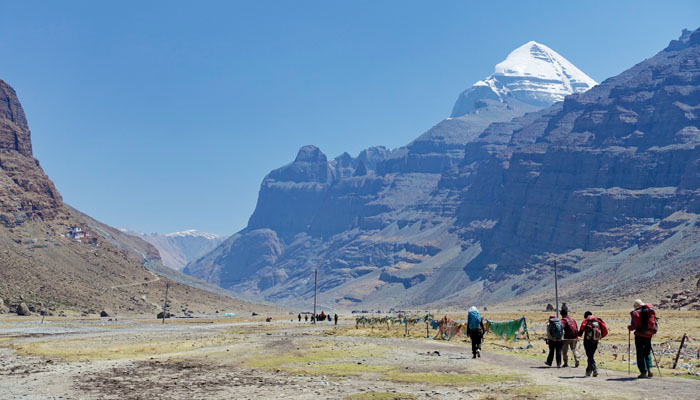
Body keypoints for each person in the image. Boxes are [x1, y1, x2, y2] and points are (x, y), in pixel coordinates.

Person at [628, 299, 657, 379]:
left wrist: (629, 328)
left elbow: (633, 326)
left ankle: (643, 372)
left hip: (639, 335)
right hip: (649, 335)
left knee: (640, 353)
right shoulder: (649, 311)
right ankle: (650, 369)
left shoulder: (635, 313)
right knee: (647, 352)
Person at [578, 310, 608, 377]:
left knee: (590, 355)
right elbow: (605, 331)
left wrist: (577, 334)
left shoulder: (586, 320)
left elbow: (581, 331)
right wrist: (600, 336)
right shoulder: (598, 320)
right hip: (595, 340)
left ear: (585, 316)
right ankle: (589, 371)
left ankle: (594, 369)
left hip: (587, 340)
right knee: (591, 355)